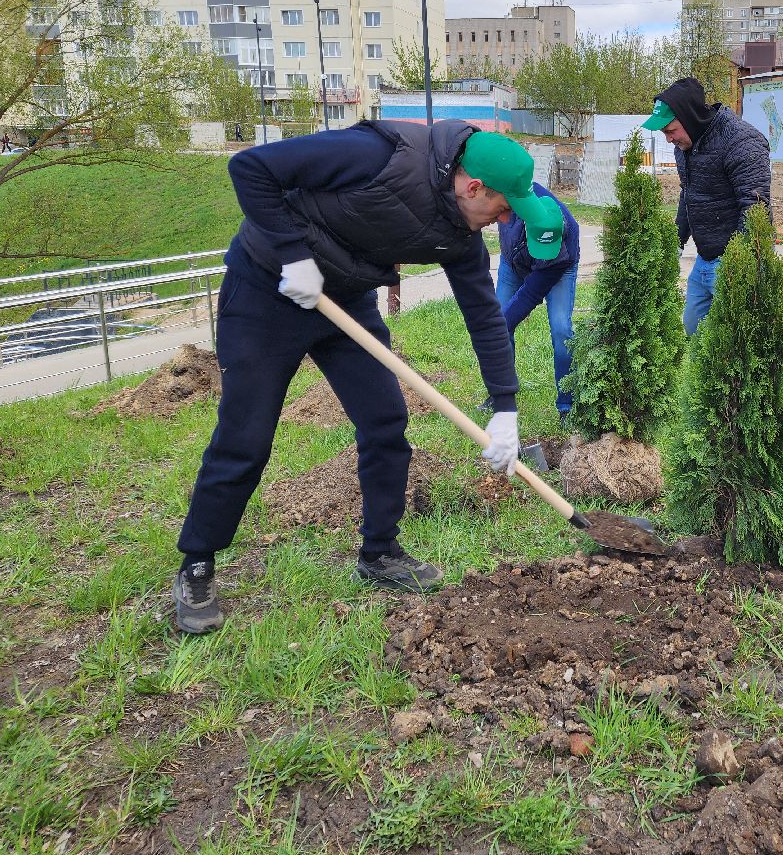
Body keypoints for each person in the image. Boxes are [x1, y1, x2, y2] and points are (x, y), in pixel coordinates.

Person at [170, 123, 563, 635]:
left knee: (385, 422)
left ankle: (380, 552)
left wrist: (506, 407)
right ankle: (197, 563)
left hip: (346, 302)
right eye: (504, 207)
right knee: (246, 436)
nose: (506, 219)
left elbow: (483, 314)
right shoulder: (378, 155)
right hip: (269, 289)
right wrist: (293, 255)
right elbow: (251, 169)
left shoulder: (461, 237)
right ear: (473, 188)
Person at [643, 77, 771, 336]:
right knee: (693, 331)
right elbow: (688, 193)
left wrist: (738, 266)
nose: (668, 140)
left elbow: (755, 209)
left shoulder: (742, 142)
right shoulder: (685, 146)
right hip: (704, 260)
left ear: (688, 118)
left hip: (733, 262)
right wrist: (677, 242)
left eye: (670, 131)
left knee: (730, 342)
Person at [493, 181, 579, 425]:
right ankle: (501, 394)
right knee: (500, 319)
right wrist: (498, 326)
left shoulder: (563, 243)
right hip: (513, 261)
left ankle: (567, 405)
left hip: (556, 269)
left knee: (561, 329)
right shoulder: (511, 199)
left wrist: (500, 324)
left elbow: (530, 294)